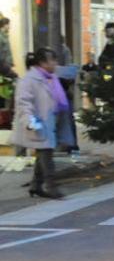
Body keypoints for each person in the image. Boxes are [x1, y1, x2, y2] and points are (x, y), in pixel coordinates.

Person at [9, 48, 75, 199]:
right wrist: (30, 121)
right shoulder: (29, 80)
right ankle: (51, 186)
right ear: (43, 63)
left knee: (43, 153)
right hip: (37, 123)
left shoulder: (50, 77)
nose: (55, 63)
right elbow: (23, 103)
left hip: (49, 121)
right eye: (52, 60)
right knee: (46, 154)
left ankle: (36, 185)